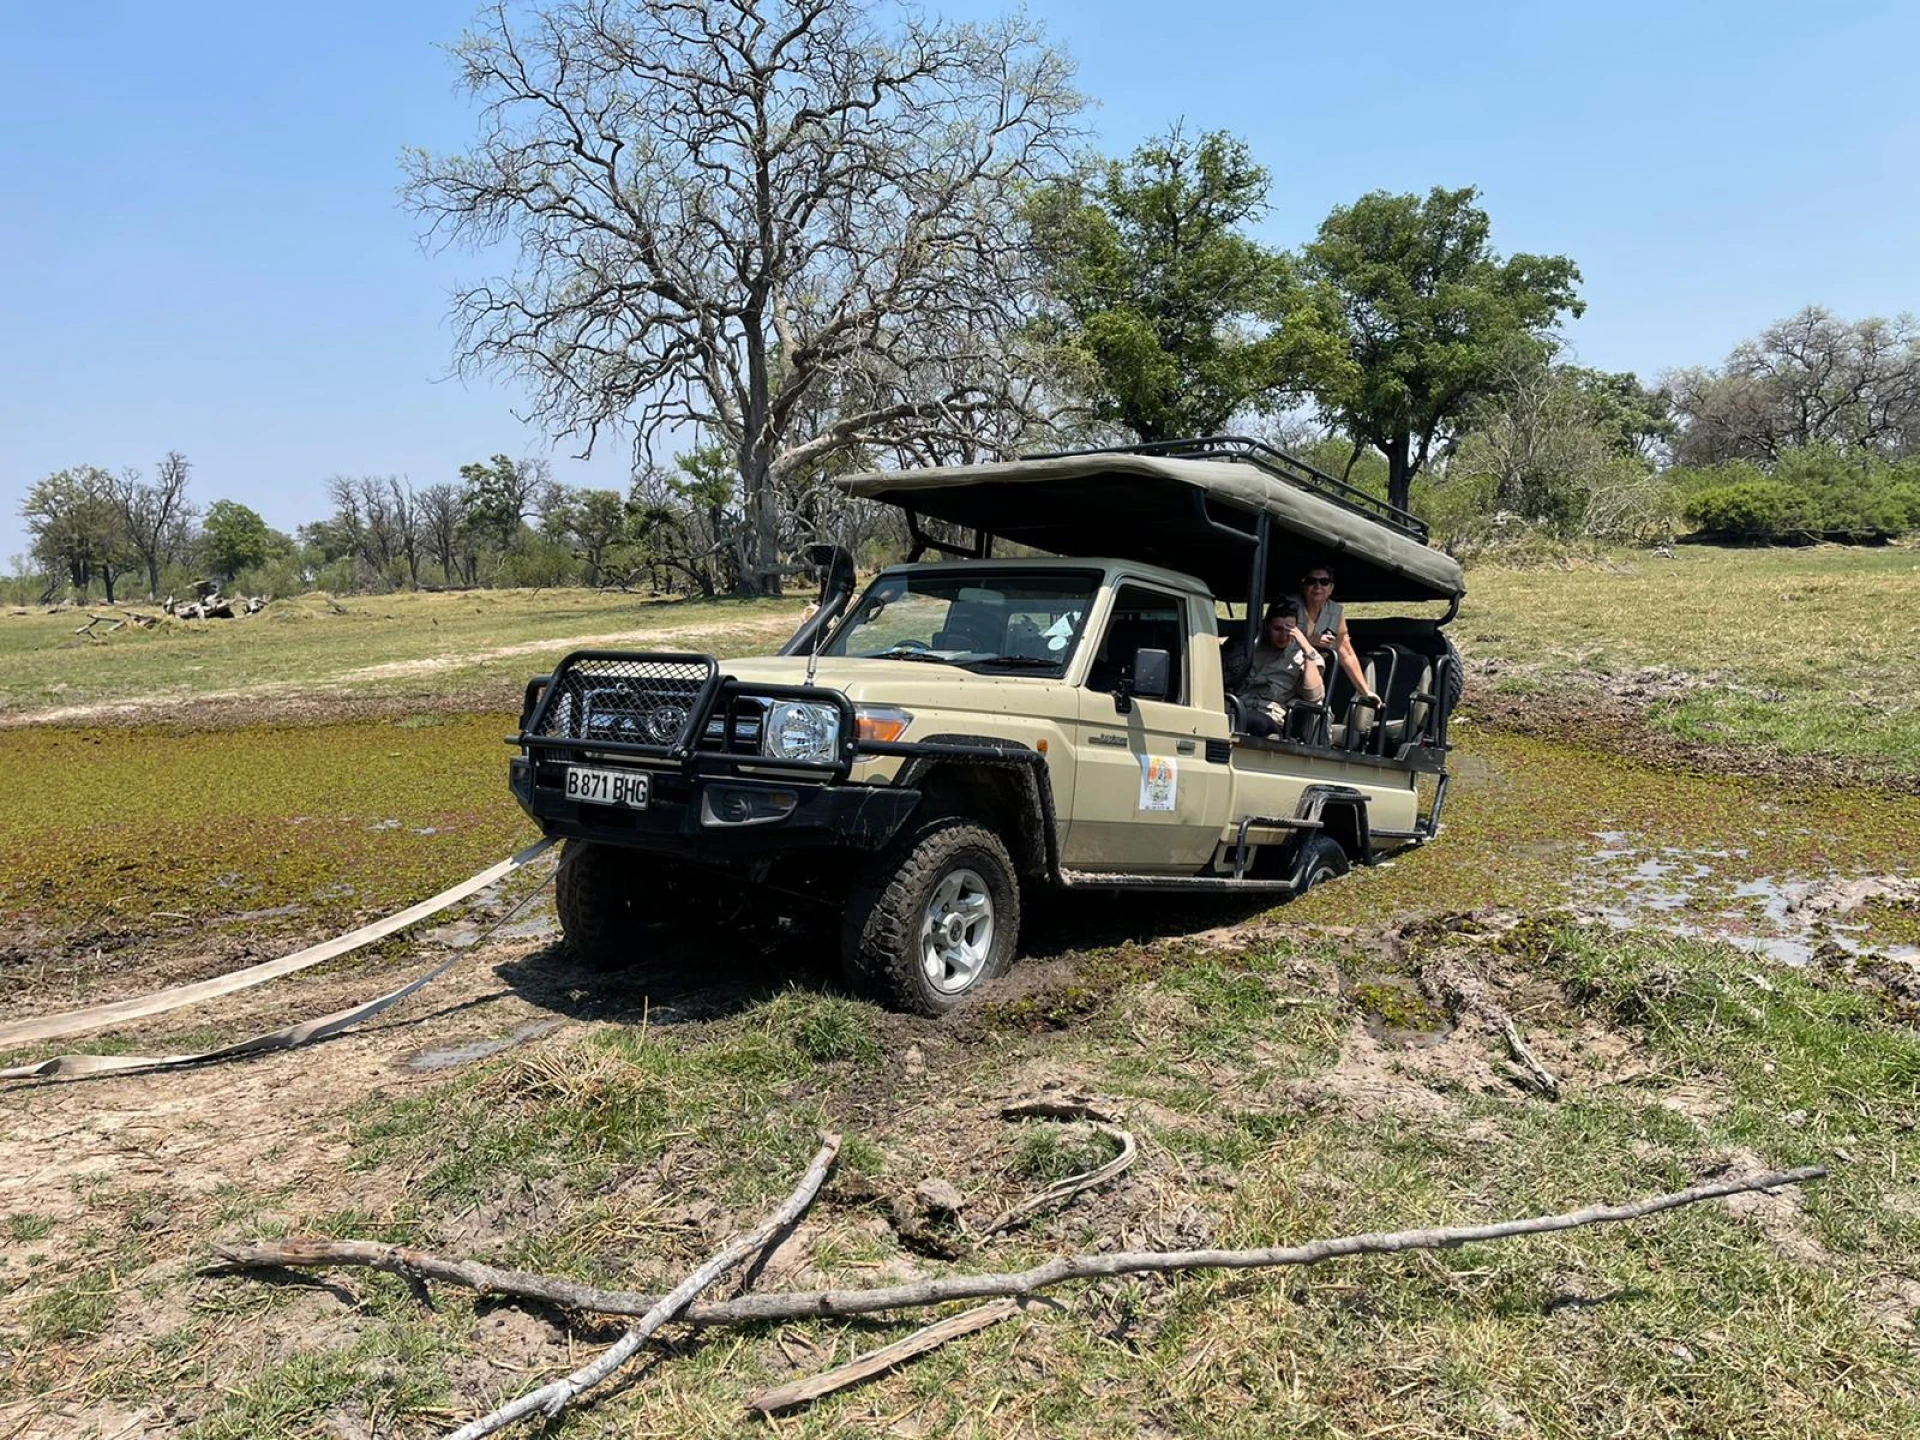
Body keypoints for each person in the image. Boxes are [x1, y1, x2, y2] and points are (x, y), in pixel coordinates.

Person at [1224, 599, 1324, 738]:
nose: (1283, 636)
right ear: (1267, 626)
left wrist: (1306, 648)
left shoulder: (1304, 656)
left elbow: (1313, 696)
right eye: (1277, 629)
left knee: (1254, 721)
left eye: (1289, 629)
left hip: (1270, 718)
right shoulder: (1248, 648)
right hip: (1236, 707)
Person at [1290, 562, 1380, 712]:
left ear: (1331, 588)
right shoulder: (1289, 606)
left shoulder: (1335, 613)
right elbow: (1275, 638)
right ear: (1303, 585)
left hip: (1312, 675)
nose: (1318, 586)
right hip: (1282, 670)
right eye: (1312, 581)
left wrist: (1365, 691)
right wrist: (1309, 641)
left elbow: (1346, 653)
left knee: (1320, 712)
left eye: (1324, 582)